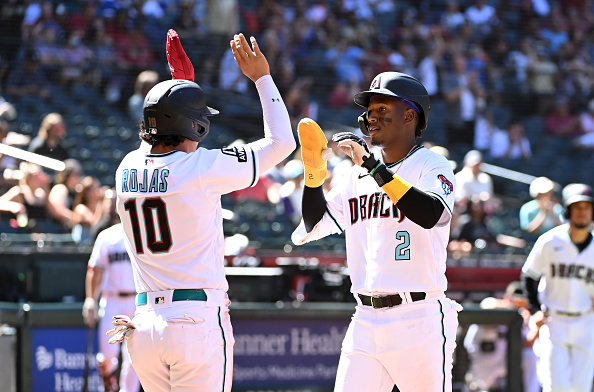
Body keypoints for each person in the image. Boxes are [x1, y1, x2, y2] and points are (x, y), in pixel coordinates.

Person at [110, 31, 295, 392]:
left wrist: (180, 87)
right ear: (193, 124)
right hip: (193, 320)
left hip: (144, 323)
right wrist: (262, 78)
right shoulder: (200, 168)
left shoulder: (125, 167)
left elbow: (152, 146)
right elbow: (282, 142)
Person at [291, 72, 461, 391]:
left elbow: (430, 213)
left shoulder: (431, 164)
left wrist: (373, 168)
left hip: (418, 316)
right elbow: (314, 223)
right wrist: (313, 174)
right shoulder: (354, 176)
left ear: (410, 115)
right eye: (370, 110)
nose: (372, 116)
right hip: (366, 319)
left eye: (382, 108)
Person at [522, 183, 594, 392]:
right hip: (555, 321)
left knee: (582, 386)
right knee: (556, 385)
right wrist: (535, 310)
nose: (582, 212)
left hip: (586, 320)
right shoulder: (550, 240)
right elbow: (529, 274)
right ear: (567, 210)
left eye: (587, 207)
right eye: (577, 207)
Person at [82, 213, 141, 392]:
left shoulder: (142, 234)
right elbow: (94, 269)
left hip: (137, 303)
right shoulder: (107, 236)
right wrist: (90, 299)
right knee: (107, 356)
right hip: (112, 301)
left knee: (134, 358)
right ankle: (108, 386)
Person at [463, 281, 543, 392]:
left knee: (530, 356)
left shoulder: (521, 318)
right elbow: (487, 306)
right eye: (516, 300)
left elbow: (526, 344)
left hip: (501, 369)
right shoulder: (494, 304)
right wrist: (512, 307)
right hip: (479, 371)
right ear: (507, 297)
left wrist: (537, 327)